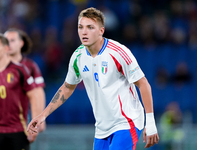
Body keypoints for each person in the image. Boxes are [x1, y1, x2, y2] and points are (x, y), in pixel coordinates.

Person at [27, 7, 159, 149]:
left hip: (127, 122)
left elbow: (143, 84)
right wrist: (43, 115)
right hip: (102, 128)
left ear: (101, 31)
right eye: (80, 27)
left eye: (90, 27)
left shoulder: (118, 52)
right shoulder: (78, 57)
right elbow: (67, 87)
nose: (84, 32)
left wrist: (150, 122)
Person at [0, 34, 39, 149]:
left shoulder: (20, 70)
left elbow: (34, 96)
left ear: (6, 48)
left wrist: (34, 125)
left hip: (17, 130)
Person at [4, 28, 46, 132]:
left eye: (12, 40)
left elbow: (38, 92)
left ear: (21, 43)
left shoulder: (30, 67)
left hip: (21, 122)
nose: (9, 44)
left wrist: (40, 118)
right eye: (6, 41)